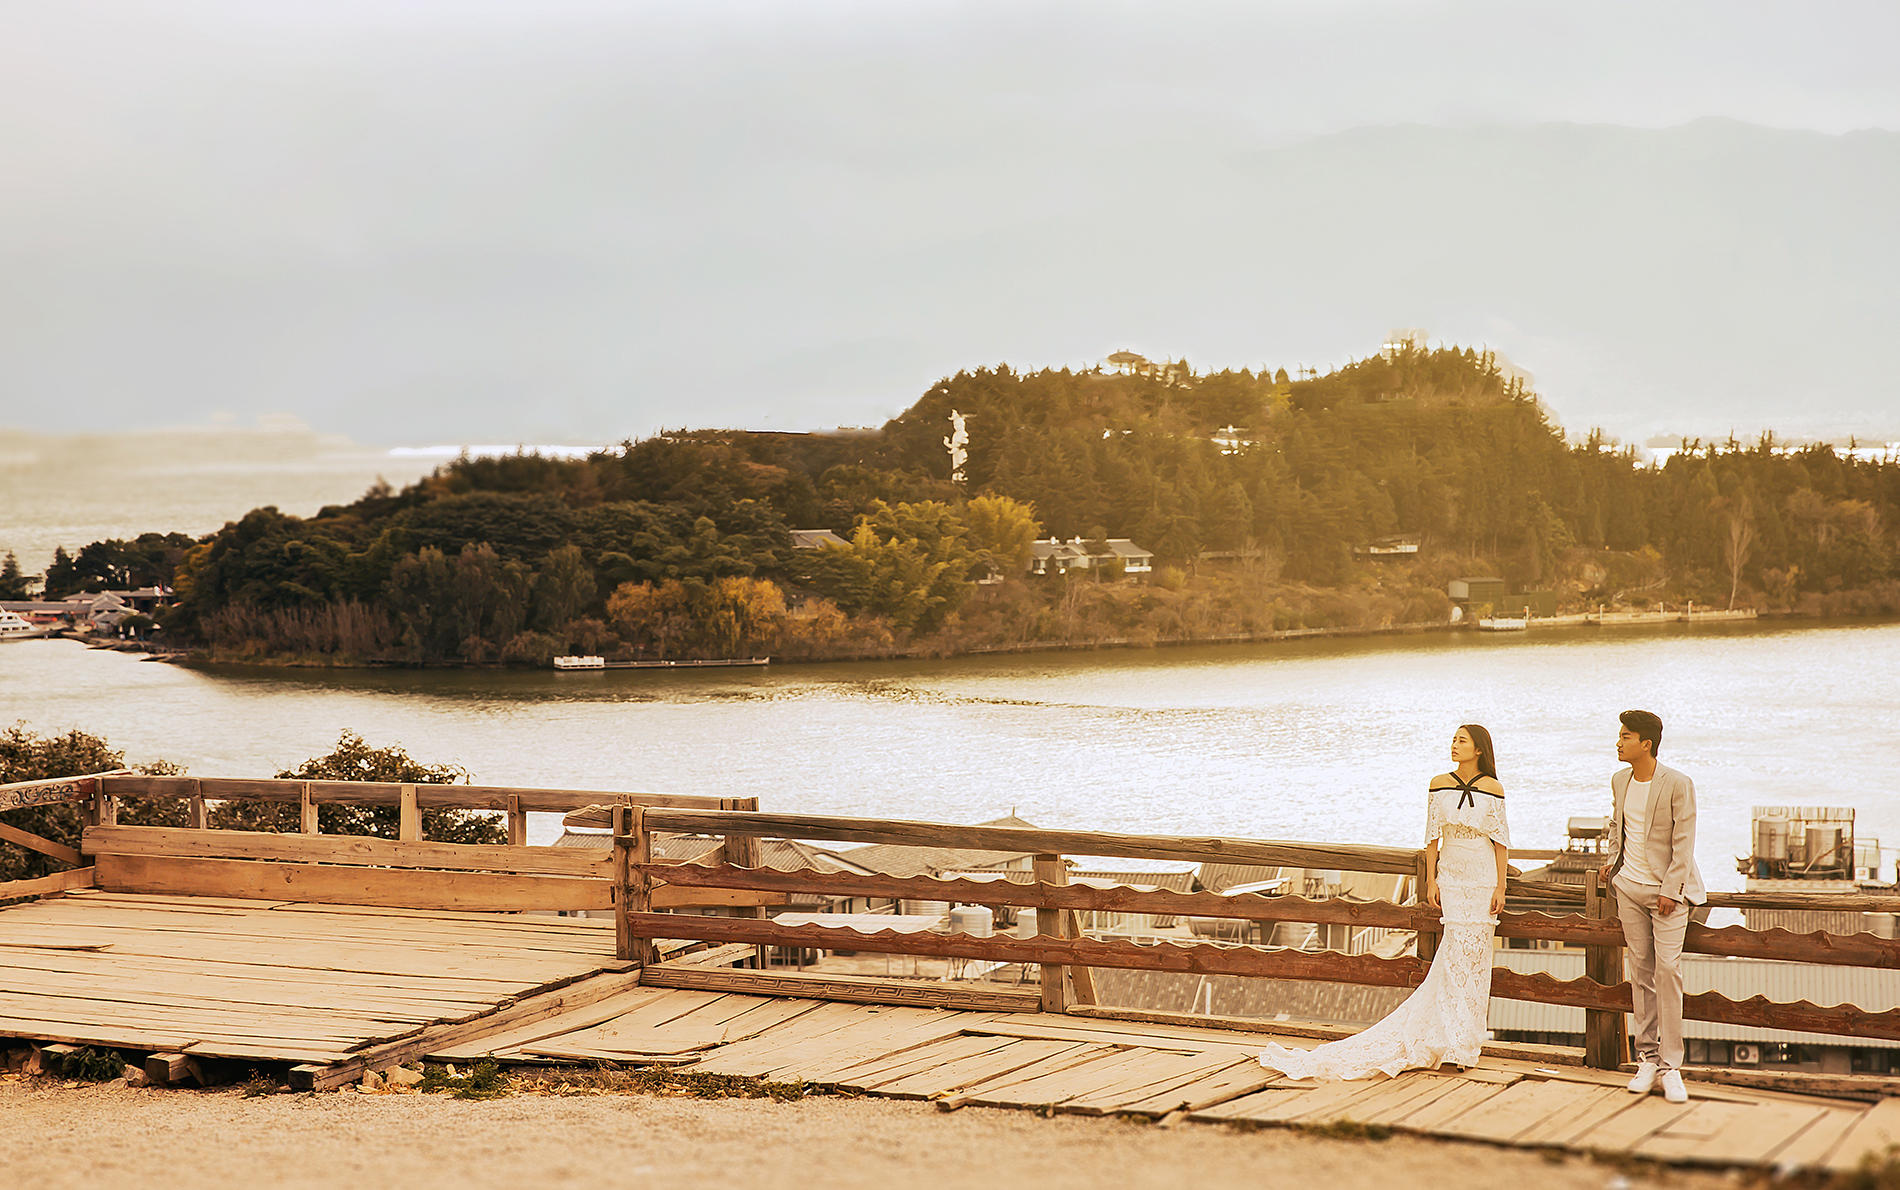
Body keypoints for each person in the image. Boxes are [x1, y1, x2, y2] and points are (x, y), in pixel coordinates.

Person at [1259, 725, 1510, 1080]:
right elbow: (1431, 838)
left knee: (1476, 960)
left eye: (1462, 741)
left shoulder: (1493, 788)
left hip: (1481, 877)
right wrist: (1432, 879)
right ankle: (1450, 1039)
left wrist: (1500, 886)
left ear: (1480, 750)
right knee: (1453, 958)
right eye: (1453, 739)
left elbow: (1500, 841)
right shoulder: (1438, 783)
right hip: (1452, 877)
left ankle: (1464, 1042)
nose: (1454, 745)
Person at [1600, 709, 1705, 1105]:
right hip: (1629, 888)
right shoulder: (1619, 780)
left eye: (1625, 736)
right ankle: (1646, 1058)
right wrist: (1613, 862)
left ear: (1646, 743)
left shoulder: (1678, 783)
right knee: (1639, 972)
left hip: (1667, 894)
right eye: (1619, 735)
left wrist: (1671, 888)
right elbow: (1616, 825)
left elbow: (1684, 840)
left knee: (1667, 971)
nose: (1618, 742)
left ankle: (1671, 1066)